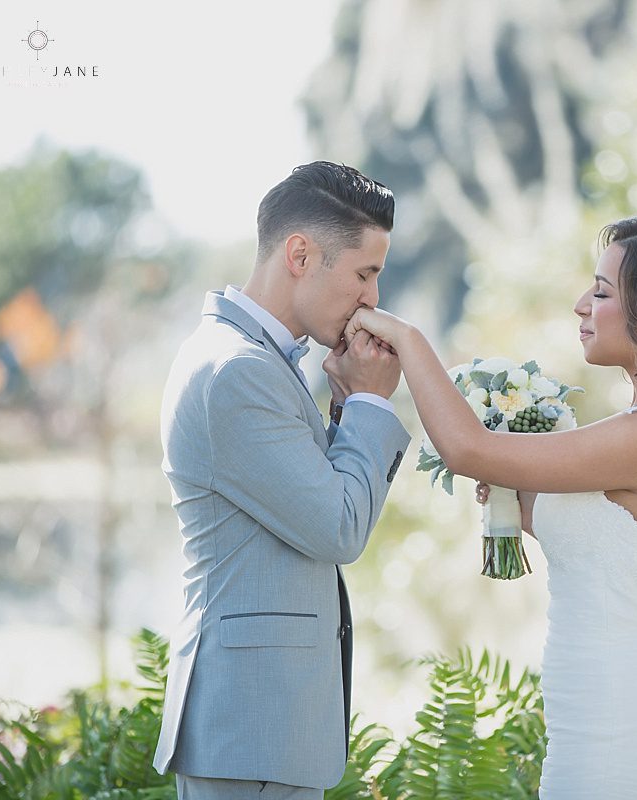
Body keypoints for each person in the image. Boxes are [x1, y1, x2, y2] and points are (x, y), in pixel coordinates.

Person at [345, 216, 637, 799]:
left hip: (620, 726)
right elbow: (626, 562)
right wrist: (524, 507)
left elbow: (469, 449)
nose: (580, 306)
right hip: (622, 710)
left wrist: (407, 339)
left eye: (600, 292)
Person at [152, 162, 411, 799]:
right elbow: (338, 526)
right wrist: (374, 406)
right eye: (363, 273)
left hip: (258, 735)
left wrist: (349, 408)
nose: (372, 299)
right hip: (252, 733)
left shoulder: (254, 360)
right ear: (300, 253)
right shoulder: (236, 371)